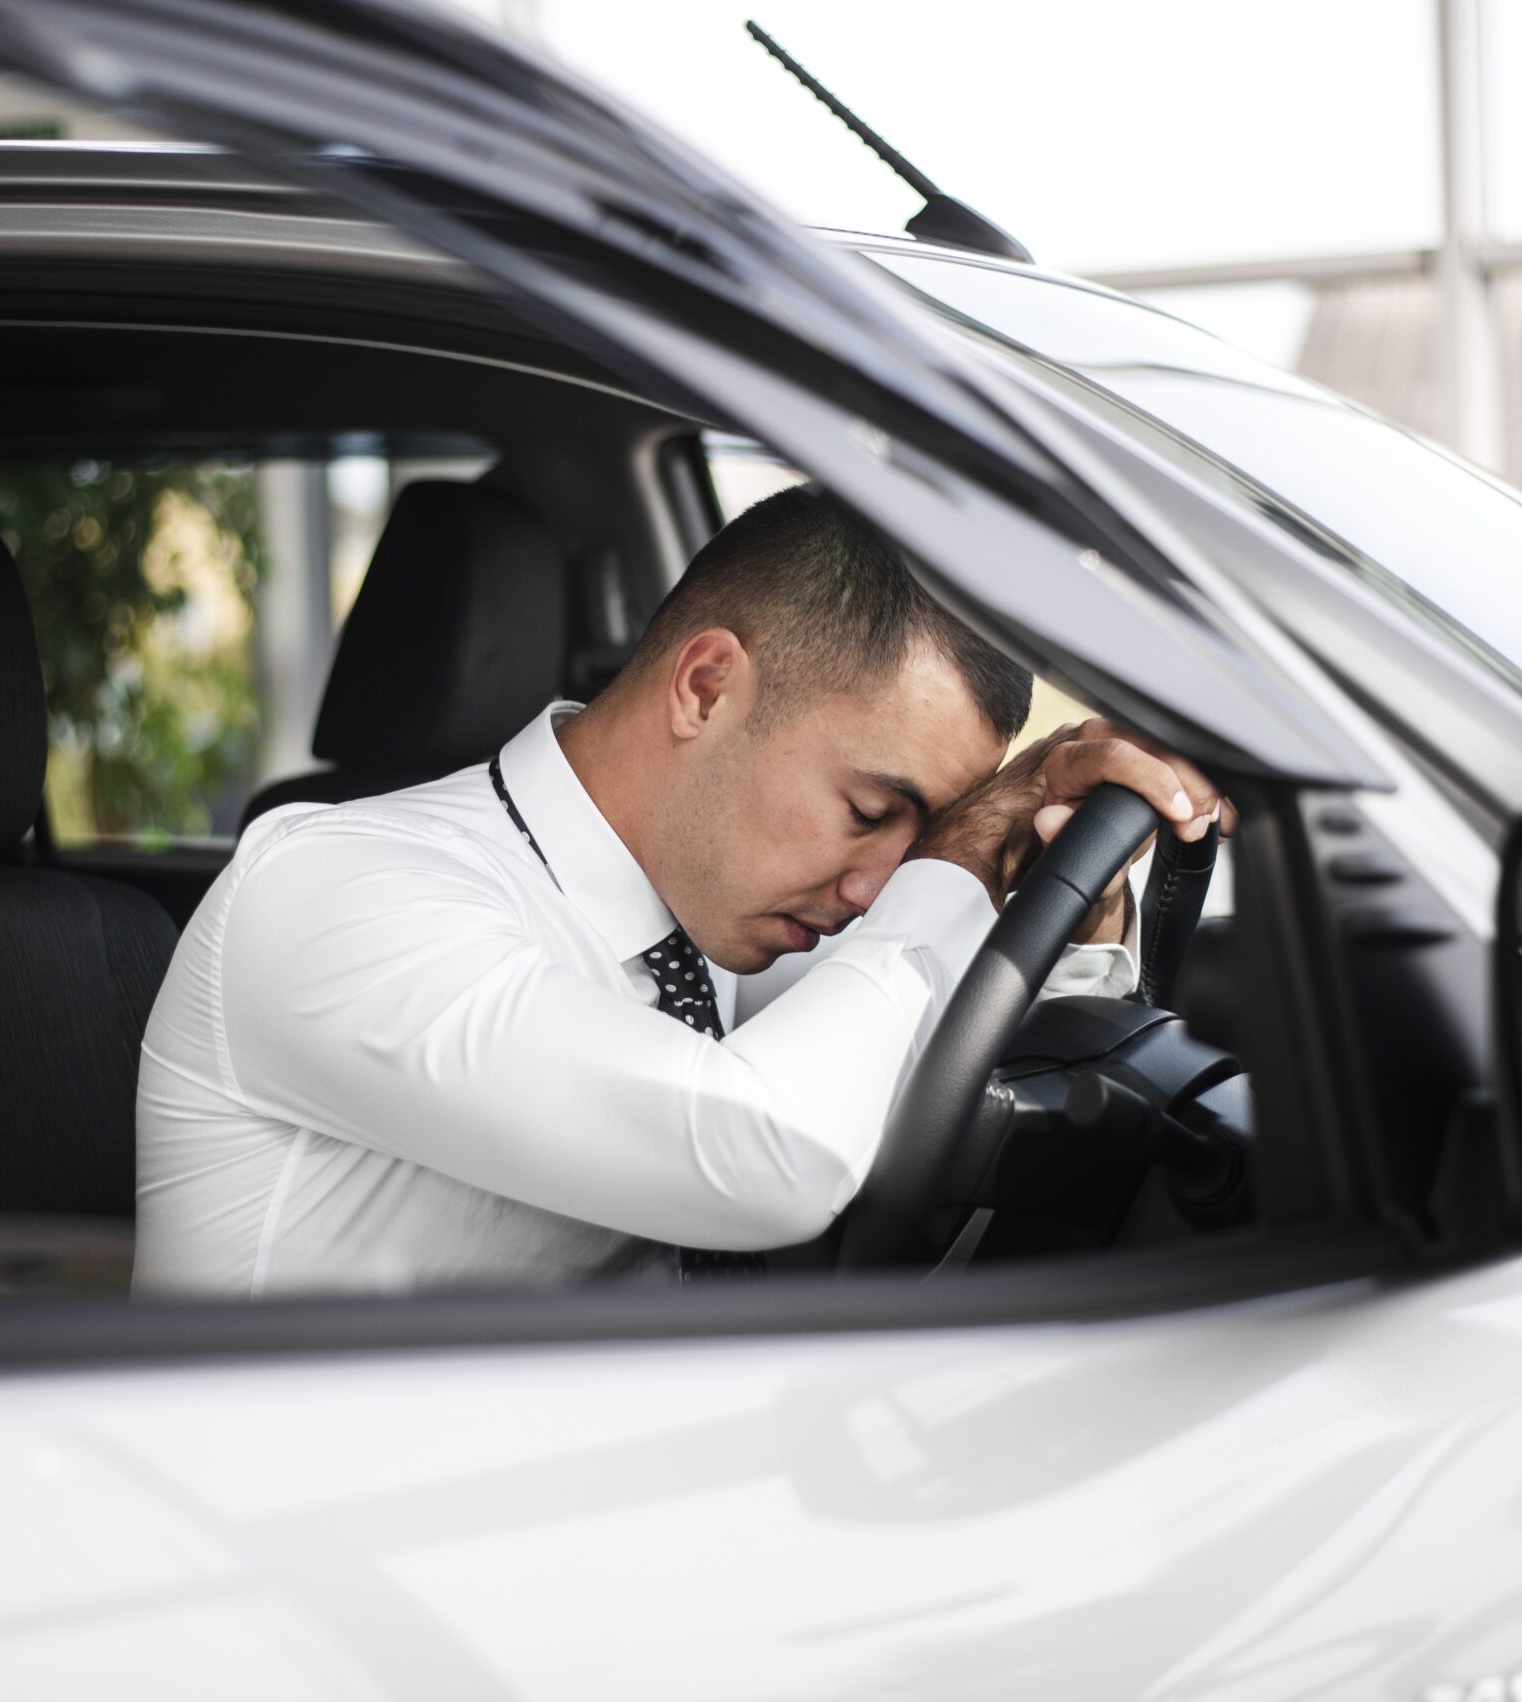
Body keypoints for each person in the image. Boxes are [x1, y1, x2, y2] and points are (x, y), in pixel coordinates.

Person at [133, 486, 1230, 1295]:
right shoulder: (337, 894)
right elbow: (766, 1151)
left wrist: (1060, 903)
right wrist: (952, 860)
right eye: (867, 811)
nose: (869, 886)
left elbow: (937, 1039)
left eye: (913, 833)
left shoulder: (710, 918)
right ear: (706, 688)